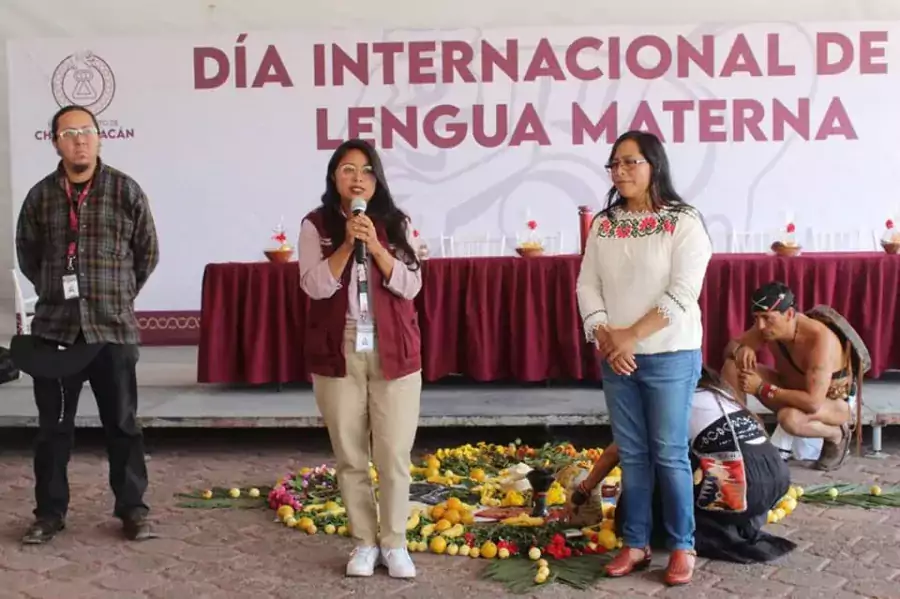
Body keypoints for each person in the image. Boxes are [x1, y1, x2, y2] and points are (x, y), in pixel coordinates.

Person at [14, 105, 159, 544]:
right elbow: (29, 256)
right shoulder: (40, 197)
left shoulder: (125, 191)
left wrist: (115, 295)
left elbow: (146, 253)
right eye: (70, 132)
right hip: (56, 332)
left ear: (100, 137)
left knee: (123, 424)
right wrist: (58, 296)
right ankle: (50, 513)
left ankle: (133, 509)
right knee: (53, 431)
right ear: (54, 141)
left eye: (87, 131)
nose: (80, 139)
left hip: (111, 330)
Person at [576, 130, 713, 586]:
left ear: (655, 165)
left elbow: (682, 293)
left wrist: (629, 337)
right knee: (633, 455)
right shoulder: (605, 222)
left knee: (670, 454)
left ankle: (681, 546)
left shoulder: (684, 221)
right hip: (616, 357)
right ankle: (634, 544)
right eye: (615, 164)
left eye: (631, 162)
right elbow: (587, 284)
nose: (621, 171)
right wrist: (603, 336)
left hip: (669, 355)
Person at [298, 139, 423, 579]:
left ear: (377, 179)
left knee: (393, 454)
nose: (357, 178)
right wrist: (348, 245)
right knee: (351, 454)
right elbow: (314, 286)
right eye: (347, 169)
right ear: (334, 177)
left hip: (393, 347)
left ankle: (395, 543)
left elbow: (411, 286)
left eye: (366, 170)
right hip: (341, 346)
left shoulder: (396, 221)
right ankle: (364, 543)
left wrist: (379, 247)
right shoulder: (317, 225)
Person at [567, 366, 797, 564]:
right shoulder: (718, 392)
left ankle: (716, 526)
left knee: (633, 509)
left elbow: (616, 452)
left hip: (747, 484)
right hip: (775, 479)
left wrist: (583, 490)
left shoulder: (672, 400)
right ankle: (739, 517)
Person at [722, 281, 856, 471]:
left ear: (790, 314)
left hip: (831, 405)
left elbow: (812, 403)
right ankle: (742, 437)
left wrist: (762, 388)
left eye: (767, 318)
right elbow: (729, 349)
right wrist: (741, 350)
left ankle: (836, 434)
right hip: (790, 391)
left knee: (789, 418)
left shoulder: (819, 341)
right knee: (732, 366)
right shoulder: (768, 327)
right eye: (757, 318)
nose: (760, 326)